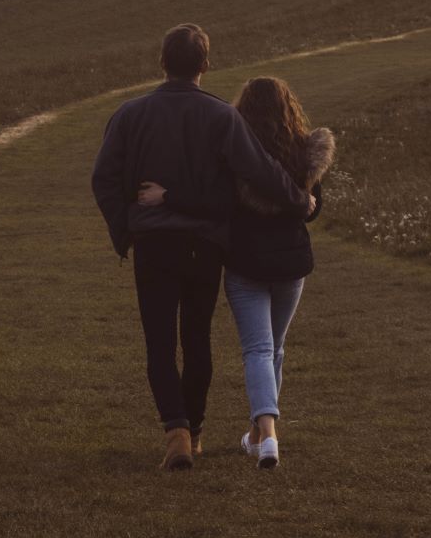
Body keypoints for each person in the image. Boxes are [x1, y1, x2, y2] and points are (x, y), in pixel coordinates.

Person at [91, 25, 314, 471]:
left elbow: (103, 179)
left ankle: (174, 430)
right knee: (196, 340)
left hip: (154, 243)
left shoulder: (130, 114)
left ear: (162, 63)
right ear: (205, 67)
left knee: (159, 341)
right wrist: (299, 199)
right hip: (205, 246)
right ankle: (193, 432)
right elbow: (259, 169)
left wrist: (126, 231)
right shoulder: (221, 117)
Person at [139, 76, 335, 469]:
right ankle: (259, 435)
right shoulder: (306, 153)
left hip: (246, 264)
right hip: (292, 265)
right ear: (290, 108)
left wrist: (168, 196)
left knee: (259, 350)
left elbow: (214, 202)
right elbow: (314, 210)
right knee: (274, 350)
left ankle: (268, 438)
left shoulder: (234, 154)